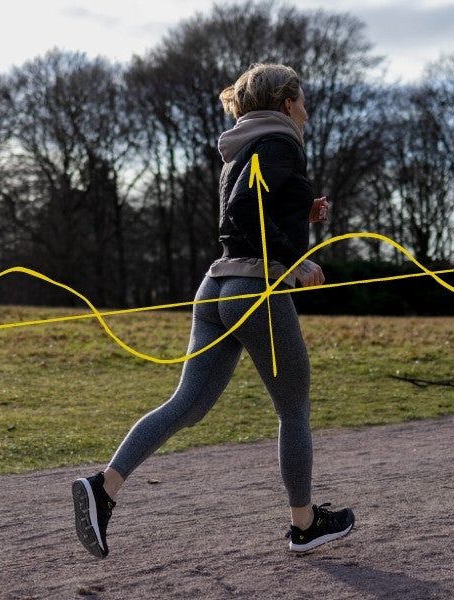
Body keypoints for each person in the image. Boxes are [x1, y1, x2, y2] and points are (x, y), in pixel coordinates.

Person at [72, 63, 354, 558]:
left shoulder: (242, 145)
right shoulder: (281, 142)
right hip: (253, 289)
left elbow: (248, 208)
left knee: (189, 404)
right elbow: (247, 210)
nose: (306, 112)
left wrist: (299, 210)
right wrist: (291, 263)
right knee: (293, 406)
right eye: (303, 102)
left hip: (216, 285)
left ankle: (104, 487)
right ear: (286, 104)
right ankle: (305, 525)